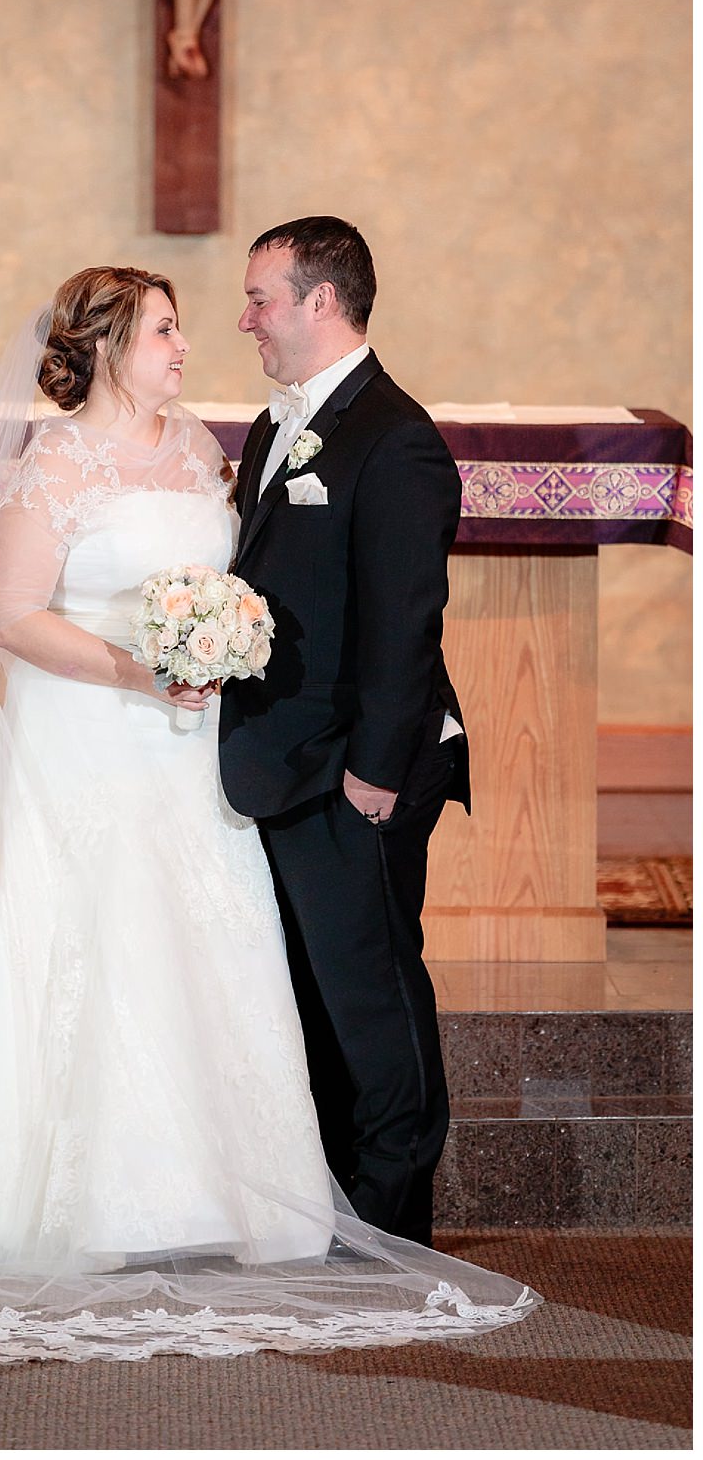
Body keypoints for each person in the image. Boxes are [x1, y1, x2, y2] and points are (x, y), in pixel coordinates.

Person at [0, 266, 536, 1364]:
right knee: (68, 945)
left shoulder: (202, 449)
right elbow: (11, 614)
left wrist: (212, 645)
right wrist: (140, 669)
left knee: (205, 948)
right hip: (86, 739)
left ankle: (242, 1199)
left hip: (194, 766)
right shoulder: (57, 460)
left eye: (195, 322)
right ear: (105, 344)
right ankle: (35, 1199)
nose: (190, 344)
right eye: (166, 329)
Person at [221, 215, 467, 1246]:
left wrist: (374, 771)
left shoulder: (395, 438)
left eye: (260, 299)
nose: (246, 320)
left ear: (320, 300)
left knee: (370, 998)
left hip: (357, 769)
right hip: (286, 762)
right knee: (315, 999)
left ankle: (394, 1219)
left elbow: (404, 618)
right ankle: (337, 1214)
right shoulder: (273, 427)